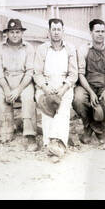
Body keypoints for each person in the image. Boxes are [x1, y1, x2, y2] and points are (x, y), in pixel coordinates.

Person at [0, 18, 37, 151]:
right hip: (4, 81)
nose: (15, 35)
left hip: (23, 82)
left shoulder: (29, 48)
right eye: (12, 32)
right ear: (7, 33)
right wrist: (7, 89)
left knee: (28, 98)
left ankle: (30, 135)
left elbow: (29, 72)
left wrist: (18, 90)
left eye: (17, 32)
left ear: (22, 33)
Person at [73, 19, 105, 149]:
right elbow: (80, 74)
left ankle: (98, 126)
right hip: (86, 85)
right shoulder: (83, 49)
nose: (100, 34)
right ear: (91, 33)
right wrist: (90, 92)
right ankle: (88, 126)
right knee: (78, 99)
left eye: (102, 31)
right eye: (97, 31)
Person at [34, 18, 78, 161]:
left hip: (64, 85)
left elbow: (73, 74)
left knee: (63, 109)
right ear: (49, 32)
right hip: (46, 85)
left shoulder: (70, 48)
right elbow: (37, 73)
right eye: (53, 29)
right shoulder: (42, 49)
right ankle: (52, 145)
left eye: (59, 29)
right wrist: (45, 88)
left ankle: (56, 144)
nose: (56, 32)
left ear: (63, 31)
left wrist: (64, 88)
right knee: (47, 109)